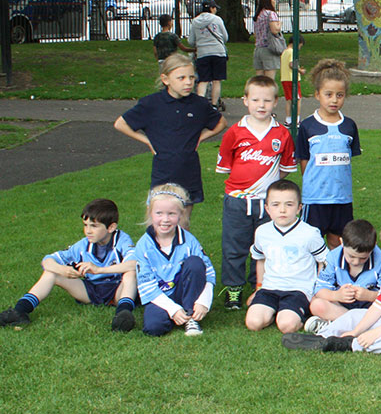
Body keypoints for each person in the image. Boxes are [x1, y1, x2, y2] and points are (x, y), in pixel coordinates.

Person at [281, 217, 381, 354]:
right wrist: (356, 330)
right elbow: (379, 306)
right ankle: (324, 337)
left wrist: (375, 333)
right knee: (354, 315)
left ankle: (350, 344)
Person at [215, 75, 296, 311]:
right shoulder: (234, 132)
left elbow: (286, 169)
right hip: (238, 201)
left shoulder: (281, 133)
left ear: (276, 102)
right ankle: (233, 291)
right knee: (234, 246)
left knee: (265, 246)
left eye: (267, 101)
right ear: (245, 100)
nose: (261, 105)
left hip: (267, 204)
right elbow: (227, 167)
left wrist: (267, 189)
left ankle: (260, 287)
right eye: (256, 100)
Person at [0, 198, 137, 332]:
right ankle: (20, 311)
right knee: (52, 272)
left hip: (117, 290)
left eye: (94, 226)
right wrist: (62, 269)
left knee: (131, 273)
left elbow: (134, 263)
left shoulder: (122, 240)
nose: (88, 231)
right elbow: (47, 261)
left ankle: (123, 314)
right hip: (91, 291)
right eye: (85, 225)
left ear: (111, 227)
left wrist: (99, 270)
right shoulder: (83, 245)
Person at [114, 53, 225, 210]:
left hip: (189, 171)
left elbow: (221, 122)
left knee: (184, 220)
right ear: (166, 79)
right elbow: (120, 124)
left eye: (192, 78)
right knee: (160, 219)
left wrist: (200, 137)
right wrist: (147, 141)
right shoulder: (151, 104)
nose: (188, 82)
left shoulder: (199, 104)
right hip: (163, 172)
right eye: (181, 78)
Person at [244, 180, 328, 334]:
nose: (282, 210)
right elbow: (260, 259)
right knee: (253, 323)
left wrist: (317, 291)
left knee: (286, 326)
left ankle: (294, 312)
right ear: (267, 208)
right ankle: (274, 310)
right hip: (270, 288)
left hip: (298, 290)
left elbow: (324, 261)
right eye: (276, 205)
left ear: (299, 208)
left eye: (289, 204)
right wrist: (259, 288)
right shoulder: (262, 232)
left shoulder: (310, 233)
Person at [135, 184, 216, 337]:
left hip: (185, 291)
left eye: (171, 213)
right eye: (159, 213)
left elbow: (209, 273)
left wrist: (203, 302)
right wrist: (172, 309)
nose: (165, 220)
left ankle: (190, 315)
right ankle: (177, 314)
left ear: (181, 215)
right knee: (154, 328)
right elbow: (146, 284)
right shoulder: (143, 246)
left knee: (195, 262)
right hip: (159, 295)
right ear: (150, 213)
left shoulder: (189, 241)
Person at [297, 59, 361, 249]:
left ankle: (335, 278)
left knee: (338, 242)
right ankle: (311, 278)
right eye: (329, 94)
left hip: (342, 198)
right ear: (317, 95)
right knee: (311, 243)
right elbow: (304, 160)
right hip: (315, 198)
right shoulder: (308, 126)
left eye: (339, 95)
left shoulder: (349, 126)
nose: (334, 100)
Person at [307, 219, 381, 332]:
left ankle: (339, 325)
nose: (356, 262)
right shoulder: (332, 257)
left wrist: (369, 295)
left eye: (363, 258)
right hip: (342, 305)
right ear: (341, 242)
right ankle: (358, 325)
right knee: (316, 304)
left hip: (370, 307)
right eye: (351, 256)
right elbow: (320, 289)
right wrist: (336, 295)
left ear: (373, 247)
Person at [190, 0, 229, 111]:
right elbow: (225, 37)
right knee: (217, 80)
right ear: (212, 8)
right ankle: (214, 104)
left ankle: (200, 104)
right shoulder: (217, 20)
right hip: (218, 52)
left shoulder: (195, 22)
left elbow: (191, 41)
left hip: (203, 53)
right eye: (215, 8)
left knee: (203, 80)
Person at [252, 0, 283, 81]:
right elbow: (274, 30)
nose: (274, 1)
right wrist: (279, 24)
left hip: (258, 48)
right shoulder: (271, 14)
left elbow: (255, 33)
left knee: (259, 79)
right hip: (269, 48)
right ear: (268, 1)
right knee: (269, 79)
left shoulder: (258, 15)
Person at [279, 34, 305, 125]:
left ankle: (288, 119)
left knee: (289, 100)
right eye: (300, 46)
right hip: (292, 79)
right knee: (298, 99)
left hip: (284, 78)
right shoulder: (292, 52)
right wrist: (300, 70)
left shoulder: (284, 52)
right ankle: (297, 119)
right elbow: (291, 64)